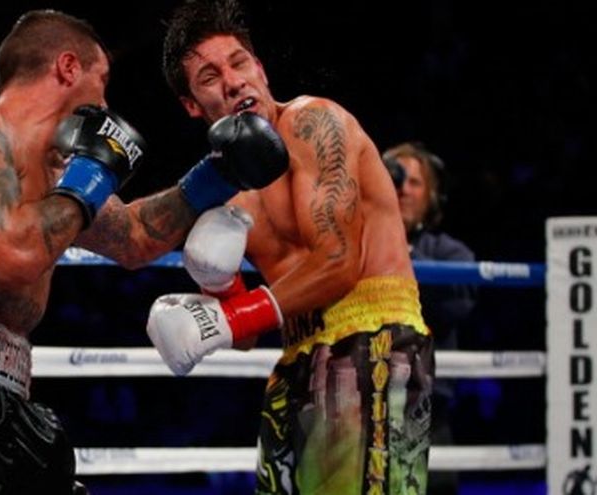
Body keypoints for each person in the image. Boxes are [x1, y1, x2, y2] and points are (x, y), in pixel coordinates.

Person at [0, 8, 289, 495]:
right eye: (101, 82)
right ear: (68, 67)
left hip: (12, 397)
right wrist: (92, 177)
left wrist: (217, 174)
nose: (104, 104)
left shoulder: (60, 175)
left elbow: (135, 238)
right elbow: (15, 254)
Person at [146, 1, 434, 494]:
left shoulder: (312, 121)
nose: (233, 82)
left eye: (239, 63)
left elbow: (338, 263)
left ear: (259, 69)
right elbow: (245, 336)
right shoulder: (224, 193)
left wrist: (232, 317)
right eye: (210, 77)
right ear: (191, 104)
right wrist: (219, 283)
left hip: (372, 337)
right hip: (296, 352)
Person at [384, 142, 477, 495]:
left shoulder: (447, 252)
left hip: (425, 409)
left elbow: (459, 303)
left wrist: (399, 251)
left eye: (415, 182)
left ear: (432, 197)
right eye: (395, 179)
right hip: (358, 406)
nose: (403, 189)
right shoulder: (352, 248)